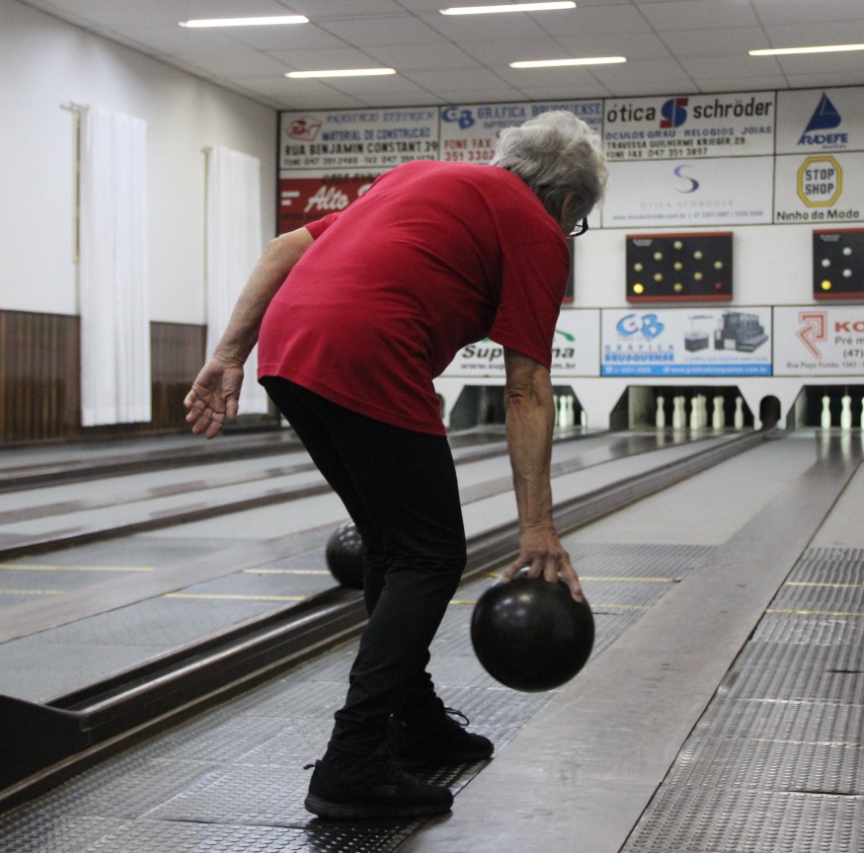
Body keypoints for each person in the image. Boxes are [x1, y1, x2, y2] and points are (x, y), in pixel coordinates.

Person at [184, 111, 608, 821]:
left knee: (392, 544)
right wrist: (538, 528)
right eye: (578, 222)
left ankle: (413, 721)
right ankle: (353, 759)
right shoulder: (539, 229)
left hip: (288, 348)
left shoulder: (421, 176)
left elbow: (287, 246)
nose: (570, 232)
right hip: (368, 347)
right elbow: (527, 384)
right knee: (429, 554)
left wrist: (229, 353)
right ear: (567, 204)